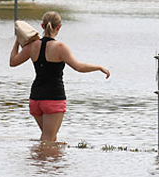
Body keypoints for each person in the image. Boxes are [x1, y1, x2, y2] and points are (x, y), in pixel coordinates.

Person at [9, 11, 110, 142]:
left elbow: (12, 62)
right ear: (59, 27)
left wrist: (18, 40)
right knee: (48, 139)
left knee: (48, 138)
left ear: (42, 25)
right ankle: (43, 161)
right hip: (53, 98)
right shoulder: (60, 47)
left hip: (36, 98)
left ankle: (43, 162)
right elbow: (78, 67)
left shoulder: (32, 46)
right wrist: (99, 67)